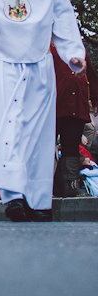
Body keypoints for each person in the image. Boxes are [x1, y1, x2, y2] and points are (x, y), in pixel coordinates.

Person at [0, 0, 86, 222]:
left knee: (39, 133)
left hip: (39, 63)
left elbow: (63, 15)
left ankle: (39, 200)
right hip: (1, 61)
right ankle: (13, 195)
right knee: (9, 125)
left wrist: (73, 53)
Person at [52, 42, 98, 197]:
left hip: (76, 107)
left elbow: (90, 74)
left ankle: (70, 184)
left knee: (71, 146)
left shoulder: (79, 49)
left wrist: (95, 99)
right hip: (53, 106)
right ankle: (45, 184)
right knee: (46, 147)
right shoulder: (46, 48)